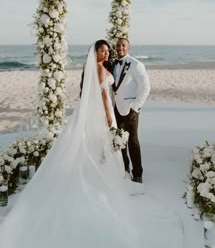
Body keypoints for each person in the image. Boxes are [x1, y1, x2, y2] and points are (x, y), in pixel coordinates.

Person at [0, 40, 184, 248]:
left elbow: (135, 88)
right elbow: (105, 95)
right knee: (104, 146)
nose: (106, 53)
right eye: (102, 50)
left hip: (120, 110)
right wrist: (108, 119)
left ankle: (132, 172)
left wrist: (132, 107)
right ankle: (104, 176)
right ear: (95, 53)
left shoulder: (114, 66)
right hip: (108, 113)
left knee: (124, 142)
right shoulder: (99, 69)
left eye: (108, 50)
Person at [113, 38, 150, 183]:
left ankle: (138, 173)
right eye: (118, 45)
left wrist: (135, 107)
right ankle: (125, 168)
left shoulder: (136, 65)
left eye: (123, 45)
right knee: (119, 141)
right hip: (116, 108)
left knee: (133, 141)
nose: (120, 47)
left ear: (128, 48)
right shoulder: (114, 64)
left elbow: (146, 87)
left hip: (131, 110)